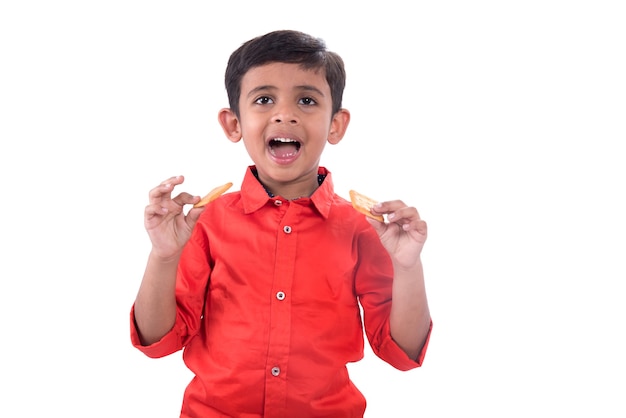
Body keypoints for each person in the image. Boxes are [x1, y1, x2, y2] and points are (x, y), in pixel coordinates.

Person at [130, 29, 432, 417]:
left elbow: (402, 352)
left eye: (306, 100)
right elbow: (157, 340)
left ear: (336, 124)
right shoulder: (205, 222)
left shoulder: (365, 228)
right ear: (233, 123)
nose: (284, 113)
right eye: (264, 99)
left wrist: (408, 267)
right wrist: (162, 255)